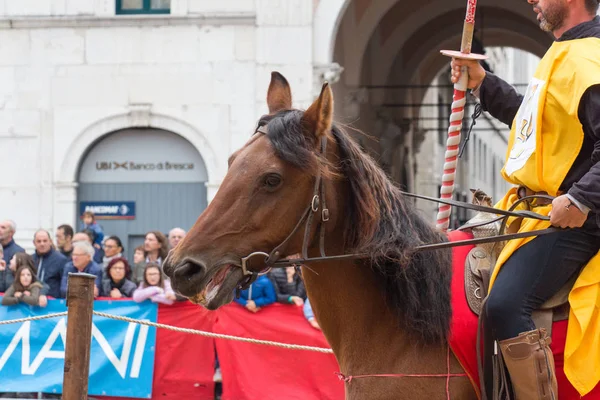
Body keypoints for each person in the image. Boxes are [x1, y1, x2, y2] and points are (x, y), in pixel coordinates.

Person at [451, 1, 600, 398]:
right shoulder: (561, 52)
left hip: (578, 220)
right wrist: (483, 82)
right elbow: (535, 126)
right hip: (536, 212)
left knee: (504, 305)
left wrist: (581, 199)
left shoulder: (591, 61)